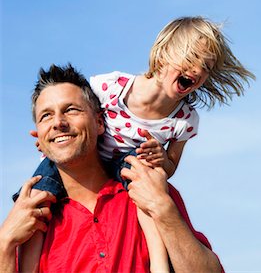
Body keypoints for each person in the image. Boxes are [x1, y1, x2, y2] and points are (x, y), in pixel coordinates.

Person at [28, 16, 255, 271]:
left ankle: (159, 266)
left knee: (147, 193)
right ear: (162, 55)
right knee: (33, 206)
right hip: (89, 162)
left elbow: (169, 167)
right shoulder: (111, 87)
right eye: (191, 58)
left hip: (130, 165)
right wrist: (55, 141)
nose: (198, 70)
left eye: (206, 67)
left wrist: (161, 161)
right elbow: (80, 112)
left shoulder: (184, 120)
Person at [0, 64, 224, 273]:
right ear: (38, 133)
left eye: (71, 110)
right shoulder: (33, 218)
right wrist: (4, 243)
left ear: (99, 123)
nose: (58, 122)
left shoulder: (147, 190)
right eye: (46, 115)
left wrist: (165, 211)